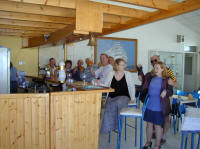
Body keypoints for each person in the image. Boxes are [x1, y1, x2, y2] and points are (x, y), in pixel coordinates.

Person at [137, 55, 177, 144]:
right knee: (149, 124)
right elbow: (143, 80)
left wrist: (166, 90)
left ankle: (161, 139)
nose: (153, 63)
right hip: (151, 104)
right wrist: (139, 70)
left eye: (155, 60)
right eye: (152, 62)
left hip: (162, 104)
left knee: (162, 122)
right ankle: (149, 141)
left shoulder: (168, 74)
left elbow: (174, 85)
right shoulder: (151, 75)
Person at [100, 58, 135, 134]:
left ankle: (117, 125)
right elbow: (106, 85)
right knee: (109, 105)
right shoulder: (111, 73)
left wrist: (132, 98)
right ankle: (108, 127)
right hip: (112, 96)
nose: (123, 66)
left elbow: (132, 87)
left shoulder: (128, 74)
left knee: (118, 102)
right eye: (121, 65)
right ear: (116, 65)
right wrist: (99, 84)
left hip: (124, 96)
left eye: (124, 65)